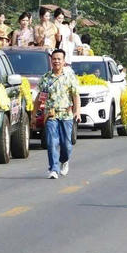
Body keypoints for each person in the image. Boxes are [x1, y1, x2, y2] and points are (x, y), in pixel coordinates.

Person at [39, 48, 79, 179]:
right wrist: (35, 113)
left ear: (63, 61)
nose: (56, 61)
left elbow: (75, 95)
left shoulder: (70, 77)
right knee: (51, 142)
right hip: (51, 115)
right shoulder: (46, 78)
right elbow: (41, 97)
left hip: (66, 115)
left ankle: (64, 160)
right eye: (54, 59)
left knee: (66, 144)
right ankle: (53, 169)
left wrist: (77, 111)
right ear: (51, 61)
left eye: (59, 59)